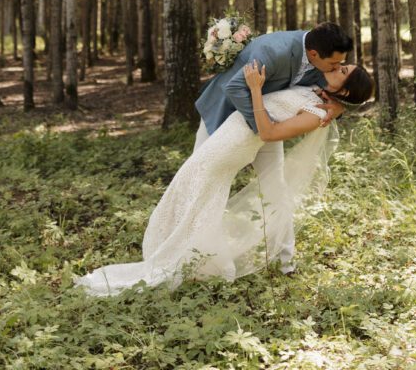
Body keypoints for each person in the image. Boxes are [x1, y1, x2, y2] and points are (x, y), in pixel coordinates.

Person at [75, 54, 373, 296]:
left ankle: (188, 260)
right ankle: (196, 258)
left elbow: (269, 132)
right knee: (195, 190)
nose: (337, 66)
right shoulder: (320, 94)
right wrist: (338, 107)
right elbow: (328, 98)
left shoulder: (317, 113)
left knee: (197, 189)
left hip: (235, 144)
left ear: (344, 89)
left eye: (342, 69)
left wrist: (255, 89)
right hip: (229, 133)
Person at [193, 21, 354, 272]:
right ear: (314, 55)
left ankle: (285, 262)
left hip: (266, 126)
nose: (337, 69)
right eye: (333, 64)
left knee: (275, 188)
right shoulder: (273, 50)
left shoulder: (321, 58)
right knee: (202, 181)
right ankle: (197, 256)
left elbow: (343, 88)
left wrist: (337, 108)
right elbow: (235, 87)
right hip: (224, 115)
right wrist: (262, 127)